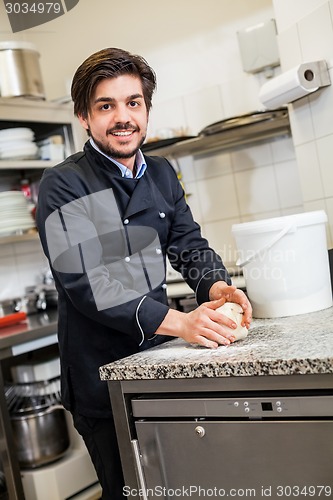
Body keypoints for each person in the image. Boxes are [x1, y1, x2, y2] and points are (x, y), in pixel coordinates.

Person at [36, 47, 252, 499]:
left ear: (147, 109)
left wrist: (217, 286)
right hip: (102, 378)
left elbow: (188, 244)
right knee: (130, 492)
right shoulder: (65, 184)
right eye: (106, 105)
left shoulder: (160, 173)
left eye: (133, 103)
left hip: (154, 365)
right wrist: (183, 323)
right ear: (84, 116)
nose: (123, 117)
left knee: (178, 486)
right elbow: (87, 284)